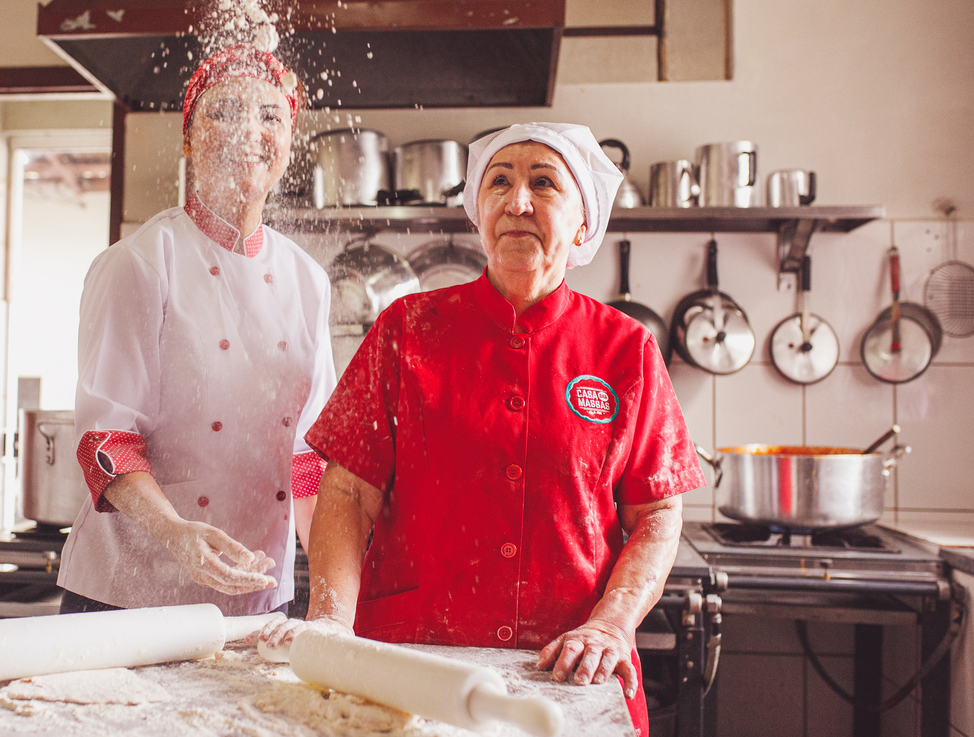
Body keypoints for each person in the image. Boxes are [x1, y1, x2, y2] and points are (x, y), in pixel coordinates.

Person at [260, 123, 704, 737]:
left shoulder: (626, 350)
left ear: (582, 225)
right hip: (412, 666)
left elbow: (656, 516)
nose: (517, 201)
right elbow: (347, 492)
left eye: (543, 183)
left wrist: (612, 622)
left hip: (567, 669)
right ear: (478, 215)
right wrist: (331, 621)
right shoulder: (406, 330)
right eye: (499, 182)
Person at [57, 43, 336, 617]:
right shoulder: (141, 262)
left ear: (289, 140)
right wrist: (176, 532)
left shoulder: (308, 280)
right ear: (187, 138)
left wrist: (337, 596)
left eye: (270, 116)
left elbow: (309, 459)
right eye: (224, 112)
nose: (249, 132)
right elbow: (106, 443)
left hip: (256, 597)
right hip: (129, 595)